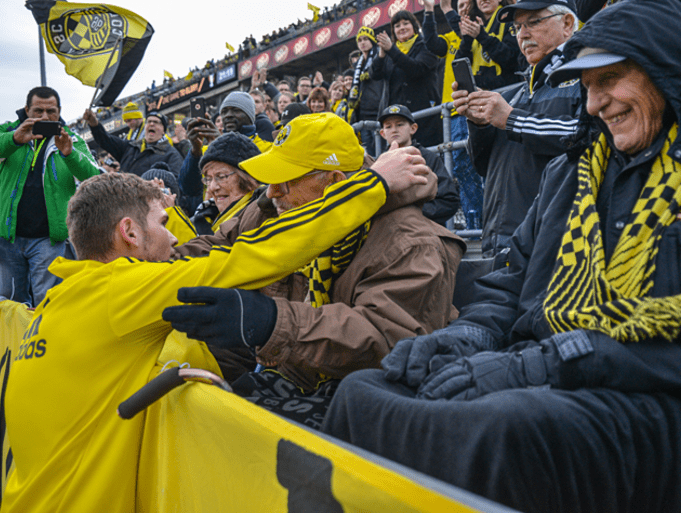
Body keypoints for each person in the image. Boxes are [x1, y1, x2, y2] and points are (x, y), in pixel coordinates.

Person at [322, 1, 681, 511]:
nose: (594, 104)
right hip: (554, 373)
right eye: (587, 87)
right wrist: (462, 338)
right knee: (366, 391)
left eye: (610, 79)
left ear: (668, 73)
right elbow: (511, 283)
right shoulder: (571, 174)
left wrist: (542, 365)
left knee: (501, 429)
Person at [1, 144, 432, 513]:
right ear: (129, 232)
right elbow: (259, 255)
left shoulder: (59, 300)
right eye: (164, 225)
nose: (175, 240)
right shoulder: (122, 292)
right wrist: (373, 184)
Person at [163, 113, 466, 428]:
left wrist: (269, 322)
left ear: (335, 182)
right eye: (271, 177)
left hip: (360, 405)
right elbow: (219, 246)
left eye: (287, 178)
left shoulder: (411, 243)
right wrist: (149, 258)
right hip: (287, 371)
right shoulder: (276, 208)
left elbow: (385, 340)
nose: (272, 192)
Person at [460, 0, 582, 261]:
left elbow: (586, 136)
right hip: (499, 243)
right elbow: (486, 167)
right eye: (517, 27)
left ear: (568, 24)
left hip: (556, 246)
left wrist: (513, 120)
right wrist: (479, 124)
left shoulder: (588, 77)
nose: (523, 34)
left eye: (534, 22)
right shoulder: (515, 94)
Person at [0, 86, 100, 305]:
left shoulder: (71, 138)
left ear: (59, 110)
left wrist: (70, 154)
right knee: (11, 303)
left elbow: (93, 174)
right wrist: (15, 139)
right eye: (38, 111)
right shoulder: (8, 129)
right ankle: (17, 341)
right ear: (27, 110)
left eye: (51, 111)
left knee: (49, 302)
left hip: (49, 239)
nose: (45, 116)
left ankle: (42, 340)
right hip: (8, 237)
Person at [422, 0, 486, 230]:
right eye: (459, 6)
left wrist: (447, 9)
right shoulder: (450, 37)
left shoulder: (480, 30)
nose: (463, 9)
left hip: (478, 103)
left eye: (467, 4)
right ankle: (474, 222)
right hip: (453, 109)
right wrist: (429, 11)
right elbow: (430, 42)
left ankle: (485, 220)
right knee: (461, 166)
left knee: (486, 164)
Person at [178, 92, 272, 219]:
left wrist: (223, 146)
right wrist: (195, 150)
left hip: (251, 217)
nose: (228, 115)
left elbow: (264, 185)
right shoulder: (207, 148)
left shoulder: (268, 149)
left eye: (236, 110)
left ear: (250, 115)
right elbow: (189, 188)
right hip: (213, 222)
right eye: (225, 111)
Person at [378, 105, 460, 226]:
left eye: (400, 124)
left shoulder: (429, 158)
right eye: (388, 126)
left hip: (424, 232)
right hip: (389, 234)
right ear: (382, 133)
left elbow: (449, 200)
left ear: (413, 128)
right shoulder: (379, 163)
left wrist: (411, 214)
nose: (394, 130)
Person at [371, 10, 443, 147]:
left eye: (406, 23)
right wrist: (381, 55)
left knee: (426, 157)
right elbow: (375, 74)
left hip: (423, 117)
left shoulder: (426, 45)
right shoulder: (390, 51)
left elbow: (416, 69)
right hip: (395, 118)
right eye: (397, 26)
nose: (402, 28)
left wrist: (391, 50)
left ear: (414, 26)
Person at [84, 109, 184, 177]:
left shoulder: (171, 154)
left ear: (163, 131)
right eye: (148, 122)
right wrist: (94, 125)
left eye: (156, 122)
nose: (151, 124)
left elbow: (175, 182)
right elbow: (106, 140)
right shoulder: (130, 146)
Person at [455, 0, 522, 91]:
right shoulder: (472, 24)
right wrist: (467, 41)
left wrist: (482, 37)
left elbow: (512, 59)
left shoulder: (511, 20)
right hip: (478, 95)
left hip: (505, 93)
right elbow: (459, 67)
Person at [348, 26, 385, 154]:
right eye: (360, 40)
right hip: (362, 113)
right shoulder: (358, 64)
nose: (362, 42)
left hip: (377, 111)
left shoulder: (379, 56)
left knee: (380, 150)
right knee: (369, 153)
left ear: (372, 40)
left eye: (366, 39)